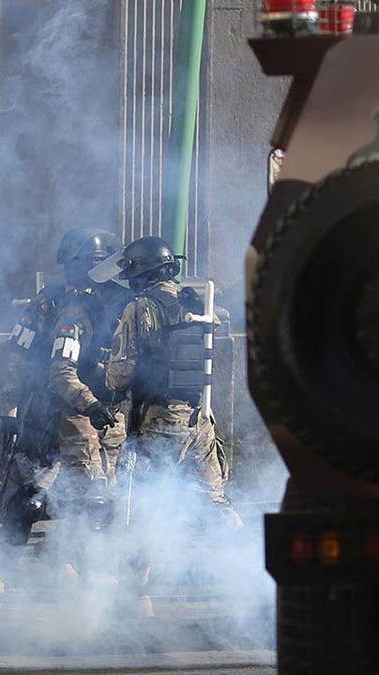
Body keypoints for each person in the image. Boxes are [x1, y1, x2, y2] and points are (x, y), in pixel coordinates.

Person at [96, 236, 241, 616]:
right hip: (199, 419)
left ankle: (135, 599)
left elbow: (121, 373)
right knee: (214, 501)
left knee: (145, 503)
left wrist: (105, 377)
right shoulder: (199, 303)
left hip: (161, 421)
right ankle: (253, 569)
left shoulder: (139, 308)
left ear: (139, 272)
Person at [43, 229, 129, 578]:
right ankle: (66, 569)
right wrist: (91, 404)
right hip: (81, 418)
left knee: (111, 499)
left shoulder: (126, 313)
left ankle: (99, 571)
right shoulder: (75, 316)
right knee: (84, 498)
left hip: (115, 417)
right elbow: (60, 373)